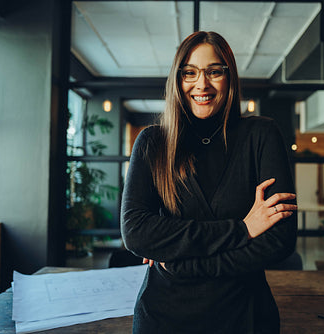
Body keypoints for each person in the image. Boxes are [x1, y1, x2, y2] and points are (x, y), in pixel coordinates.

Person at [121, 31, 297, 334]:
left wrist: (181, 261)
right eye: (189, 72)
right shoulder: (152, 142)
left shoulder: (262, 135)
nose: (201, 84)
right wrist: (243, 228)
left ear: (229, 78)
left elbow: (279, 240)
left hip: (246, 316)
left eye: (214, 71)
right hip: (163, 318)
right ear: (177, 80)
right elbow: (136, 233)